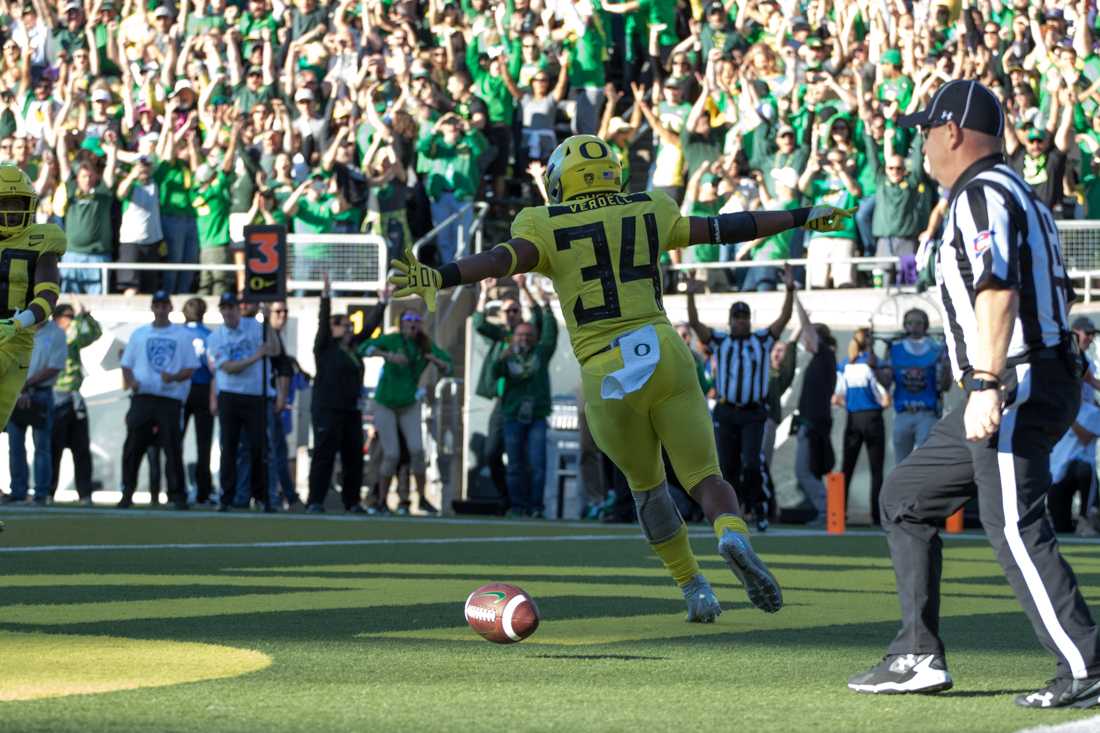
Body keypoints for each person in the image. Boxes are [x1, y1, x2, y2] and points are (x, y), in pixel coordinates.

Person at [390, 133, 853, 621]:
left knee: (648, 489)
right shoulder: (650, 207)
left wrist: (440, 275)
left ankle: (693, 587)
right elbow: (728, 226)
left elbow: (502, 260)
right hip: (663, 352)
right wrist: (803, 216)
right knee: (704, 477)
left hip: (604, 370)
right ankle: (730, 532)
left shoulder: (542, 222)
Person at [848, 80, 1100, 709]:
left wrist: (986, 383)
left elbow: (997, 288)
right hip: (1012, 376)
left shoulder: (981, 193)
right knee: (906, 498)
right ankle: (917, 653)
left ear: (953, 132)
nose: (922, 144)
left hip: (1014, 376)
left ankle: (1086, 661)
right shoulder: (1010, 192)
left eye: (926, 130)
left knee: (1014, 523)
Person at [686, 272, 796, 532]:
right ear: (730, 321)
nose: (741, 322)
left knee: (752, 463)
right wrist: (690, 294)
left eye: (745, 318)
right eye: (737, 318)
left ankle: (758, 509)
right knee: (727, 466)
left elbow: (784, 319)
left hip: (753, 413)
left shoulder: (761, 339)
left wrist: (790, 290)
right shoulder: (720, 341)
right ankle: (730, 514)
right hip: (726, 411)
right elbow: (694, 323)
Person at [359, 310, 452, 515]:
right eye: (408, 320)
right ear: (401, 324)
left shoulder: (425, 344)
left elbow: (448, 365)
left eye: (417, 320)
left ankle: (421, 498)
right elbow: (364, 348)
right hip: (385, 403)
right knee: (391, 454)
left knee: (417, 451)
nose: (413, 324)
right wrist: (387, 355)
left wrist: (437, 362)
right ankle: (381, 500)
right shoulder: (392, 339)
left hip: (409, 403)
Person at [0, 165, 65, 446]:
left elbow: (48, 296)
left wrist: (17, 323)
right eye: (5, 203)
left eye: (18, 204)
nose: (13, 211)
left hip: (16, 339)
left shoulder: (43, 238)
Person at [118, 291, 199, 510]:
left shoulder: (181, 335)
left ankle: (177, 495)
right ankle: (127, 491)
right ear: (152, 308)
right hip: (143, 396)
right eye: (157, 305)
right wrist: (132, 381)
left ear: (170, 308)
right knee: (133, 447)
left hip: (168, 398)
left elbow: (190, 367)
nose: (161, 310)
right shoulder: (140, 334)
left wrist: (173, 377)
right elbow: (126, 363)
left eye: (165, 306)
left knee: (172, 448)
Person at [472, 276, 544, 511]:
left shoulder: (528, 334)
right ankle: (507, 497)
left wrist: (525, 288)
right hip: (503, 403)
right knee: (492, 453)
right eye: (507, 311)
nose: (511, 314)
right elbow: (479, 324)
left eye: (515, 310)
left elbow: (541, 319)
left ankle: (525, 504)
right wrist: (484, 292)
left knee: (526, 459)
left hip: (525, 402)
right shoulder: (503, 335)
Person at [207, 291, 279, 512]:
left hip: (255, 394)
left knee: (259, 447)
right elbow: (228, 367)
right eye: (225, 308)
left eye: (232, 307)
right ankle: (226, 497)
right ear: (220, 311)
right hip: (230, 395)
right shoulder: (215, 337)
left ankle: (261, 495)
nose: (229, 312)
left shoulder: (254, 327)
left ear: (238, 309)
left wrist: (269, 324)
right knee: (228, 447)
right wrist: (256, 356)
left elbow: (274, 350)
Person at [306, 275, 371, 513]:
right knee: (324, 455)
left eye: (349, 325)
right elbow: (323, 323)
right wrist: (326, 297)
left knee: (353, 456)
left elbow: (369, 329)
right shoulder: (325, 348)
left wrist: (383, 304)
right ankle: (315, 500)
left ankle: (352, 501)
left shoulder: (353, 350)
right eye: (343, 324)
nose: (348, 328)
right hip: (328, 409)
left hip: (351, 410)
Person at [493, 288, 558, 518]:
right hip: (512, 415)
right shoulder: (508, 354)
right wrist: (502, 356)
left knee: (538, 465)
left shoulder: (541, 353)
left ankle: (536, 507)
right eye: (520, 335)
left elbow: (551, 333)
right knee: (514, 466)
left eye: (529, 335)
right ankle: (518, 506)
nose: (524, 339)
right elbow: (494, 374)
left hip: (537, 416)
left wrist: (547, 308)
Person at [4, 304, 66, 504]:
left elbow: (54, 367)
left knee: (42, 445)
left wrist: (26, 384)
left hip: (40, 394)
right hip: (16, 392)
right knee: (15, 445)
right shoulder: (15, 328)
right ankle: (18, 491)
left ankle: (41, 493)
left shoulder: (56, 333)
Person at [1048, 316, 1100, 535]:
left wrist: (1069, 417)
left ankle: (1087, 519)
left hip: (1077, 457)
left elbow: (1087, 435)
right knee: (1059, 524)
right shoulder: (1062, 359)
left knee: (1084, 470)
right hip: (1057, 460)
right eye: (1086, 333)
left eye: (1092, 334)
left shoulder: (1090, 410)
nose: (1089, 338)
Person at [879, 308, 951, 464]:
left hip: (927, 414)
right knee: (901, 463)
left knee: (926, 462)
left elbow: (945, 386)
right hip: (902, 414)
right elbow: (885, 382)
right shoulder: (895, 350)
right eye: (910, 323)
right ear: (905, 325)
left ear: (925, 326)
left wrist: (946, 366)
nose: (914, 327)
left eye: (919, 323)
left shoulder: (936, 349)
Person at [834, 328, 890, 526]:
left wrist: (851, 404)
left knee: (846, 468)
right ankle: (877, 516)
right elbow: (885, 397)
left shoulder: (844, 365)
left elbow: (836, 397)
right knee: (877, 470)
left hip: (853, 418)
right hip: (873, 418)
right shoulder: (874, 364)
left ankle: (839, 514)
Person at [49, 302, 101, 504]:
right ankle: (48, 491)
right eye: (67, 316)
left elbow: (95, 333)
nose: (70, 320)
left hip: (74, 396)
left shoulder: (73, 334)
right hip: (56, 395)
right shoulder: (53, 336)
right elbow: (73, 337)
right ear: (57, 318)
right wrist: (80, 318)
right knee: (54, 447)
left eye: (72, 316)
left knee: (81, 448)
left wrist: (87, 315)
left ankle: (85, 493)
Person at [181, 297, 214, 504]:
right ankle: (203, 491)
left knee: (175, 443)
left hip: (181, 389)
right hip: (203, 389)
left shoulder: (177, 334)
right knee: (204, 445)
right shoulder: (210, 335)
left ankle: (177, 490)